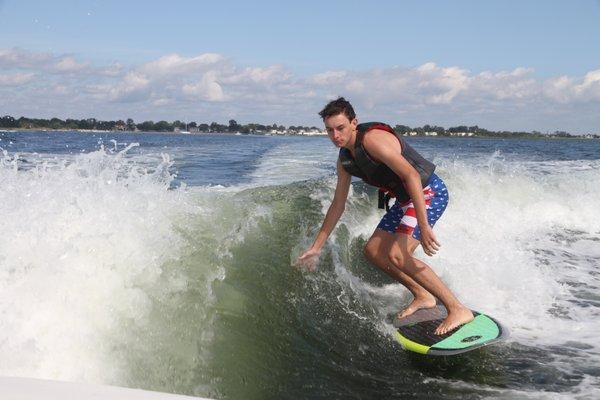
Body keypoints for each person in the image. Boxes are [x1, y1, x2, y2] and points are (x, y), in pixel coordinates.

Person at [296, 97, 473, 335]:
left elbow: (411, 175)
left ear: (353, 123)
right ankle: (422, 294)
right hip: (405, 200)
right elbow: (338, 205)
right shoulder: (345, 160)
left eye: (340, 128)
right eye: (329, 130)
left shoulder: (372, 141)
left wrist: (424, 223)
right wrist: (316, 247)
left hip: (427, 193)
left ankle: (457, 308)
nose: (335, 135)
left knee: (398, 255)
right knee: (374, 252)